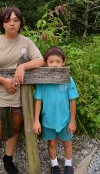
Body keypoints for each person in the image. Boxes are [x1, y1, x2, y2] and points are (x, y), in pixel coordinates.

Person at [0, 6, 44, 174]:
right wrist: (3, 81)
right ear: (2, 23)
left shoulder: (26, 42)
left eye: (16, 20)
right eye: (8, 20)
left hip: (19, 99)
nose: (12, 24)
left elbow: (40, 60)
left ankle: (8, 160)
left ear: (20, 22)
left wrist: (23, 67)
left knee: (13, 132)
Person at [33, 46, 79, 174]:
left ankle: (69, 165)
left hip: (65, 120)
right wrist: (36, 120)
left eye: (58, 61)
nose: (55, 64)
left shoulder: (68, 79)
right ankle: (54, 165)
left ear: (63, 63)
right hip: (48, 120)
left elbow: (73, 100)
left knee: (67, 143)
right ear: (46, 63)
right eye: (51, 61)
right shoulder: (42, 81)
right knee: (51, 143)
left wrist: (72, 121)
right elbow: (38, 101)